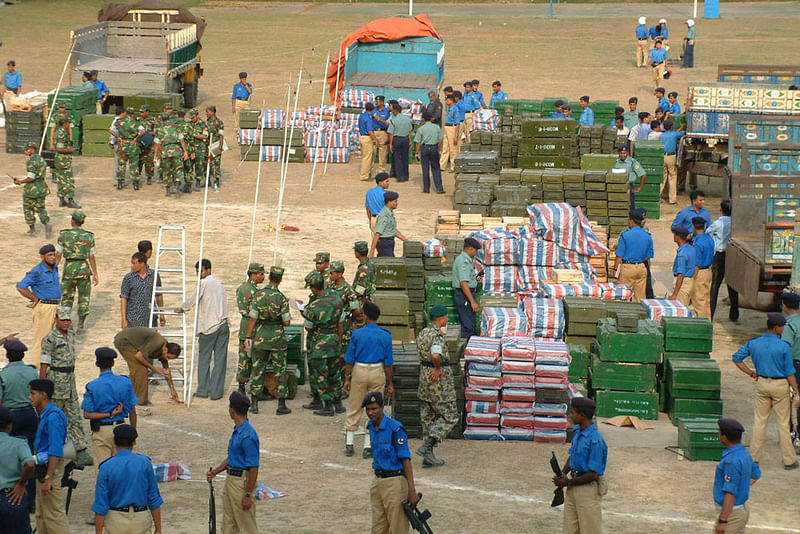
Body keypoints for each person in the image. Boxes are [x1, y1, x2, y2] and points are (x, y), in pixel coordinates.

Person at [732, 313, 800, 470]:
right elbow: (789, 372)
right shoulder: (784, 346)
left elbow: (736, 358)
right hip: (780, 385)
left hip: (762, 383)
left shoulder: (754, 343)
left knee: (760, 421)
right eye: (782, 327)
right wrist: (797, 391)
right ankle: (789, 460)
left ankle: (754, 458)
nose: (783, 329)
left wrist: (751, 373)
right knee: (783, 423)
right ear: (776, 328)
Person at [82, 347, 138, 514]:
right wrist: (133, 432)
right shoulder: (125, 382)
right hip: (122, 429)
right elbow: (132, 409)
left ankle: (103, 509)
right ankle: (123, 505)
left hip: (102, 431)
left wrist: (107, 414)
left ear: (97, 363)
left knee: (102, 472)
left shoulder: (93, 386)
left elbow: (87, 414)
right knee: (123, 469)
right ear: (113, 363)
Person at [40, 307, 92, 466]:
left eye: (68, 320)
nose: (66, 323)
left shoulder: (70, 334)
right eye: (62, 320)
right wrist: (43, 388)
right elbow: (44, 365)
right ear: (56, 320)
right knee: (53, 418)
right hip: (56, 382)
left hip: (70, 381)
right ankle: (49, 450)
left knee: (75, 416)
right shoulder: (50, 339)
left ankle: (80, 450)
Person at [364, 391, 419, 534]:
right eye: (368, 409)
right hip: (378, 482)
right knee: (378, 528)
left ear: (382, 407)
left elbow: (406, 460)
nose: (371, 413)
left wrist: (412, 491)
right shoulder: (370, 427)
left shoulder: (395, 429)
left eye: (374, 408)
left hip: (395, 483)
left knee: (397, 529)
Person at [92, 424, 163, 534]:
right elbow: (154, 498)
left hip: (115, 520)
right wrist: (158, 529)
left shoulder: (106, 467)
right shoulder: (145, 463)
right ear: (134, 442)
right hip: (140, 519)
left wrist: (98, 532)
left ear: (114, 442)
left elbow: (101, 504)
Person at [343, 302, 393, 458]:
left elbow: (350, 358)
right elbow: (389, 362)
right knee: (374, 407)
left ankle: (350, 443)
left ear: (365, 316)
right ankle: (368, 445)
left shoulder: (357, 334)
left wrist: (347, 378)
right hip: (377, 370)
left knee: (355, 405)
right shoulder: (385, 335)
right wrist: (390, 383)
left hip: (359, 369)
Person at [552, 397, 608, 534]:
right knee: (569, 530)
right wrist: (563, 474)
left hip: (587, 490)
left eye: (574, 412)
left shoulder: (596, 440)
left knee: (590, 530)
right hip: (572, 488)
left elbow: (594, 474)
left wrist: (569, 482)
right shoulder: (578, 432)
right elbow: (573, 457)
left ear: (582, 415)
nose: (571, 415)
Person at [176, 259, 229, 401]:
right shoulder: (220, 284)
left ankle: (203, 390)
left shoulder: (204, 283)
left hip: (209, 326)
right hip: (223, 324)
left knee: (204, 358)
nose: (199, 274)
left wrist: (182, 308)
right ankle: (216, 392)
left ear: (208, 270)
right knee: (220, 360)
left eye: (201, 271)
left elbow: (192, 300)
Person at [207, 392, 260, 534]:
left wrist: (248, 494)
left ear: (232, 410)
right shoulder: (239, 432)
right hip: (231, 481)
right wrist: (216, 472)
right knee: (229, 525)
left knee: (247, 526)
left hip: (241, 484)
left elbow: (254, 467)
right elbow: (232, 459)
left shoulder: (248, 436)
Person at [245, 266, 292, 415]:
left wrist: (248, 336)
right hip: (277, 338)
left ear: (269, 277)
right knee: (280, 370)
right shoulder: (282, 298)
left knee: (257, 369)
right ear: (280, 279)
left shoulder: (259, 295)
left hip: (260, 337)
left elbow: (253, 319)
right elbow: (287, 323)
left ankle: (254, 404)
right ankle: (281, 404)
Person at [416, 305, 458, 468]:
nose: (447, 319)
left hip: (424, 376)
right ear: (440, 319)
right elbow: (435, 354)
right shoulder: (436, 336)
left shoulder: (423, 333)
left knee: (428, 417)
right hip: (438, 380)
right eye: (446, 317)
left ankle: (428, 455)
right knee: (450, 415)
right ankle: (429, 444)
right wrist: (438, 368)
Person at [0, 339, 39, 515]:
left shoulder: (3, 375)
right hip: (30, 414)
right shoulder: (32, 371)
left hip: (10, 417)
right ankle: (30, 500)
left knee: (10, 455)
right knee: (29, 456)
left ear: (7, 356)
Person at [29, 378, 69, 534]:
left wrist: (49, 478)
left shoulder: (52, 417)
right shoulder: (48, 414)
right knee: (43, 512)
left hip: (50, 468)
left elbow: (55, 450)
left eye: (33, 394)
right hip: (45, 467)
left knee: (53, 514)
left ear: (43, 395)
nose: (30, 397)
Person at [302, 271, 343, 416]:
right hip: (334, 342)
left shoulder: (313, 307)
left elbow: (308, 327)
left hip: (320, 344)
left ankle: (327, 405)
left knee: (320, 375)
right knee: (334, 374)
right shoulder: (337, 300)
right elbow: (341, 322)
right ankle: (338, 403)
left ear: (313, 288)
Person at [713, 418, 761, 534]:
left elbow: (730, 494)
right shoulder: (744, 454)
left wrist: (723, 521)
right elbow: (756, 474)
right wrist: (742, 486)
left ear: (724, 437)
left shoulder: (731, 461)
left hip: (731, 514)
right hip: (741, 509)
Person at [17, 244, 61, 367]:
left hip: (57, 306)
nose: (53, 257)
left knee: (56, 339)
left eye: (54, 254)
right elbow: (21, 287)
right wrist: (34, 298)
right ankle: (36, 368)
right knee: (42, 340)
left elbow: (59, 257)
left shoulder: (54, 268)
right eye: (49, 255)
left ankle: (50, 367)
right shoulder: (37, 271)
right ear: (42, 257)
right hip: (45, 308)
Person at [112, 327, 181, 405]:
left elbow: (167, 371)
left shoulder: (165, 348)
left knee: (137, 371)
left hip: (133, 343)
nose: (167, 359)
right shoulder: (157, 343)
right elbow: (138, 356)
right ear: (165, 350)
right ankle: (140, 401)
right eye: (167, 357)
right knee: (141, 369)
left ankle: (124, 395)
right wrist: (154, 369)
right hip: (124, 341)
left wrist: (172, 389)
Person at [55, 211, 98, 331]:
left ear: (72, 221)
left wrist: (53, 270)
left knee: (67, 298)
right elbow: (91, 256)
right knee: (84, 298)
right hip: (84, 269)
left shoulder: (64, 235)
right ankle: (81, 324)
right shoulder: (89, 236)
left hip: (69, 269)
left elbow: (58, 254)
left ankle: (66, 322)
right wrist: (95, 274)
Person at [327, 261, 360, 411]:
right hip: (332, 327)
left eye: (332, 273)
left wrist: (351, 322)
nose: (330, 275)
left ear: (340, 274)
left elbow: (356, 311)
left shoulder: (348, 291)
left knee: (343, 358)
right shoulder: (330, 287)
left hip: (345, 328)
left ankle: (343, 387)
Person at [0, 405, 35, 534]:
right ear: (10, 426)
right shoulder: (19, 443)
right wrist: (21, 484)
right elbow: (30, 464)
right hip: (13, 496)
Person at [235, 263, 265, 402]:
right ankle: (255, 389)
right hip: (253, 327)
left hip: (244, 327)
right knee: (255, 359)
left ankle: (241, 386)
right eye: (261, 274)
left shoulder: (241, 288)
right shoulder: (255, 292)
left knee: (243, 358)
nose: (263, 277)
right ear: (253, 274)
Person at [614, 210, 654, 302]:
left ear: (631, 221)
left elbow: (619, 256)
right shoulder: (648, 236)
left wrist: (615, 271)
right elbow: (648, 257)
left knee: (624, 296)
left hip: (627, 268)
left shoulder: (625, 235)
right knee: (640, 298)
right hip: (641, 268)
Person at [708, 199, 739, 321]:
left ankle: (710, 313)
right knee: (732, 285)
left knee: (715, 285)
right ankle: (734, 314)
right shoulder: (735, 223)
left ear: (721, 210)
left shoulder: (718, 223)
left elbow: (708, 232)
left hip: (720, 255)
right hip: (732, 255)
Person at [14, 143, 52, 236]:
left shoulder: (31, 162)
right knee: (41, 208)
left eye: (27, 149)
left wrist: (20, 182)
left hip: (32, 189)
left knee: (28, 208)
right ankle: (46, 223)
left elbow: (31, 177)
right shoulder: (41, 159)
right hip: (42, 187)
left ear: (32, 150)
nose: (25, 151)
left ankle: (32, 229)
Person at [120, 252, 164, 329]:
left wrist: (161, 314)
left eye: (134, 263)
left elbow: (158, 296)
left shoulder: (154, 276)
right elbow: (124, 299)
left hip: (151, 318)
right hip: (133, 320)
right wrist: (124, 320)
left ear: (142, 264)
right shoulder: (128, 278)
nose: (132, 266)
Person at [154, 110, 188, 196]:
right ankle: (177, 185)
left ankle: (168, 190)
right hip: (177, 150)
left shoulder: (160, 129)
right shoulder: (176, 127)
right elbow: (181, 140)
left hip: (165, 151)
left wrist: (155, 155)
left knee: (167, 170)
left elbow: (157, 143)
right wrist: (185, 151)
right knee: (178, 169)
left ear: (162, 119)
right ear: (169, 117)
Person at [453, 238, 481, 339]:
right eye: (475, 251)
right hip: (464, 296)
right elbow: (463, 283)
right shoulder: (463, 262)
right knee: (468, 327)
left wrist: (475, 279)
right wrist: (472, 302)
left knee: (469, 324)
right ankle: (464, 349)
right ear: (470, 249)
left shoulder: (466, 261)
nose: (476, 253)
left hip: (466, 294)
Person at [110, 107, 144, 190]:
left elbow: (111, 130)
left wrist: (119, 137)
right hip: (133, 146)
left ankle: (120, 184)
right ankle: (135, 184)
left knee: (121, 165)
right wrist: (136, 138)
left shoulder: (119, 122)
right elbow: (143, 131)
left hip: (123, 145)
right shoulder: (136, 123)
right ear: (133, 114)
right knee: (134, 165)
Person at [780, 292, 800, 431]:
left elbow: (785, 348)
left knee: (790, 399)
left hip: (794, 366)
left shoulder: (789, 325)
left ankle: (791, 432)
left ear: (785, 306)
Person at [414, 111, 445, 194]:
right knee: (436, 168)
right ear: (431, 118)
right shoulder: (436, 127)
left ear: (423, 119)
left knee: (425, 169)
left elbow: (418, 143)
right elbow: (441, 139)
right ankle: (439, 188)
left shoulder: (421, 129)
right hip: (434, 147)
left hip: (425, 148)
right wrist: (439, 148)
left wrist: (416, 152)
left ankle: (426, 189)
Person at [370, 191, 408, 258]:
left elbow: (393, 231)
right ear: (389, 202)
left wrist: (406, 241)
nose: (397, 203)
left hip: (389, 242)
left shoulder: (390, 213)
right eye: (395, 201)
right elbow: (377, 234)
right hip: (384, 243)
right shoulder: (384, 216)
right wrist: (371, 253)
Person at [52, 116, 80, 208]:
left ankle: (62, 199)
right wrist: (71, 150)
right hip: (63, 160)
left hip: (60, 160)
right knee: (68, 180)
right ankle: (70, 200)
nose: (69, 124)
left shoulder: (61, 132)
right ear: (65, 123)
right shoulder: (61, 133)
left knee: (60, 179)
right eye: (68, 123)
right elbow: (59, 148)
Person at [691, 217, 714, 319]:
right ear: (705, 226)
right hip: (709, 270)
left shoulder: (697, 243)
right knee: (706, 300)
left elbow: (696, 263)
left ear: (693, 226)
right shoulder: (709, 239)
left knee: (699, 300)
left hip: (699, 272)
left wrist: (693, 278)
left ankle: (700, 324)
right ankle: (708, 321)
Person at [660, 120, 686, 205]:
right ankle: (672, 199)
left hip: (662, 156)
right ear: (671, 127)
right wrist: (682, 127)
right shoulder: (674, 134)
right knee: (672, 177)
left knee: (663, 177)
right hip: (671, 157)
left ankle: (659, 196)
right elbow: (683, 133)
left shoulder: (662, 135)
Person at [387, 101, 413, 183]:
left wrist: (390, 144)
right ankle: (406, 176)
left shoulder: (393, 120)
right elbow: (410, 132)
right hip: (405, 139)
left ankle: (400, 176)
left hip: (397, 140)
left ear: (395, 111)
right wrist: (410, 141)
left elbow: (391, 134)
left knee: (397, 158)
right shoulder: (407, 119)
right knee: (405, 158)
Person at [670, 226, 696, 307]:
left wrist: (674, 294)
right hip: (690, 282)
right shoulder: (691, 248)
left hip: (683, 284)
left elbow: (681, 275)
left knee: (680, 310)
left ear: (678, 237)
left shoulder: (682, 254)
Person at [186, 109, 209, 190]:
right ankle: (188, 183)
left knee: (199, 166)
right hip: (190, 148)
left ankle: (198, 182)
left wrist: (194, 135)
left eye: (193, 117)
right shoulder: (188, 124)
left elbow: (205, 136)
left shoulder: (203, 125)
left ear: (197, 116)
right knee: (188, 166)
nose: (192, 119)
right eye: (191, 118)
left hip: (200, 149)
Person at [205, 105, 225, 191]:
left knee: (216, 164)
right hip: (207, 145)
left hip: (215, 145)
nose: (206, 113)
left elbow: (221, 135)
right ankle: (208, 180)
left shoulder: (219, 122)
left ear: (212, 112)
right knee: (207, 162)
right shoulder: (207, 122)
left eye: (208, 112)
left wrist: (220, 148)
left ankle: (216, 180)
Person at [137, 105, 158, 185]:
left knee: (149, 162)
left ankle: (149, 177)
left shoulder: (153, 120)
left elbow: (157, 131)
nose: (141, 114)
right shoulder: (138, 120)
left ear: (147, 112)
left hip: (150, 144)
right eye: (140, 112)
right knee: (139, 161)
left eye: (143, 112)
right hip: (140, 144)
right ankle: (137, 177)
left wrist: (149, 133)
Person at [440, 94, 461, 173]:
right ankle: (442, 165)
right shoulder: (449, 108)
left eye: (448, 100)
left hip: (452, 128)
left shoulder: (455, 109)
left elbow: (457, 123)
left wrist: (456, 136)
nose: (446, 101)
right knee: (445, 147)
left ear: (452, 100)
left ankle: (453, 166)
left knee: (453, 149)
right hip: (447, 128)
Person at [352, 241, 377, 305]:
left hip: (363, 302)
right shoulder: (371, 264)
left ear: (357, 253)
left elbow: (359, 291)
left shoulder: (363, 270)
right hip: (370, 300)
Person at [359, 102, 378, 181]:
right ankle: (364, 175)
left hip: (362, 137)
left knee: (365, 156)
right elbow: (370, 131)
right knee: (368, 158)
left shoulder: (362, 116)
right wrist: (375, 140)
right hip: (367, 138)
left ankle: (367, 173)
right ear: (372, 109)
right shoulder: (369, 118)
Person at [372, 96, 391, 174]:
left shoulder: (387, 111)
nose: (376, 102)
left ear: (382, 102)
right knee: (372, 151)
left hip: (383, 132)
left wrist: (379, 119)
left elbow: (389, 123)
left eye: (378, 101)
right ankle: (370, 168)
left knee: (383, 152)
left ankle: (381, 169)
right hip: (374, 132)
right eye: (376, 101)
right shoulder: (373, 110)